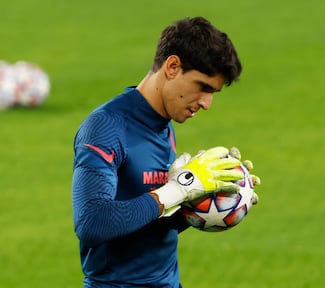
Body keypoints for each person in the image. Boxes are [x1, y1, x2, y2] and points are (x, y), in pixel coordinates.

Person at [72, 16, 259, 287]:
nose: (207, 103)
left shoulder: (163, 125)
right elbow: (92, 223)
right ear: (172, 67)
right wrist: (177, 190)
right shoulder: (106, 127)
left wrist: (212, 201)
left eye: (213, 93)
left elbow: (145, 228)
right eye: (203, 87)